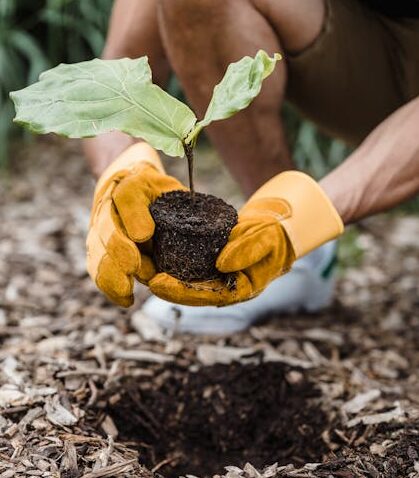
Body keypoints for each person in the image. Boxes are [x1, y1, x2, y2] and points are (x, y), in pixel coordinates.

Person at [84, 0, 419, 334]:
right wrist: (121, 169)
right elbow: (116, 77)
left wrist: (302, 213)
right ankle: (286, 261)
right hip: (361, 58)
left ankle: (291, 246)